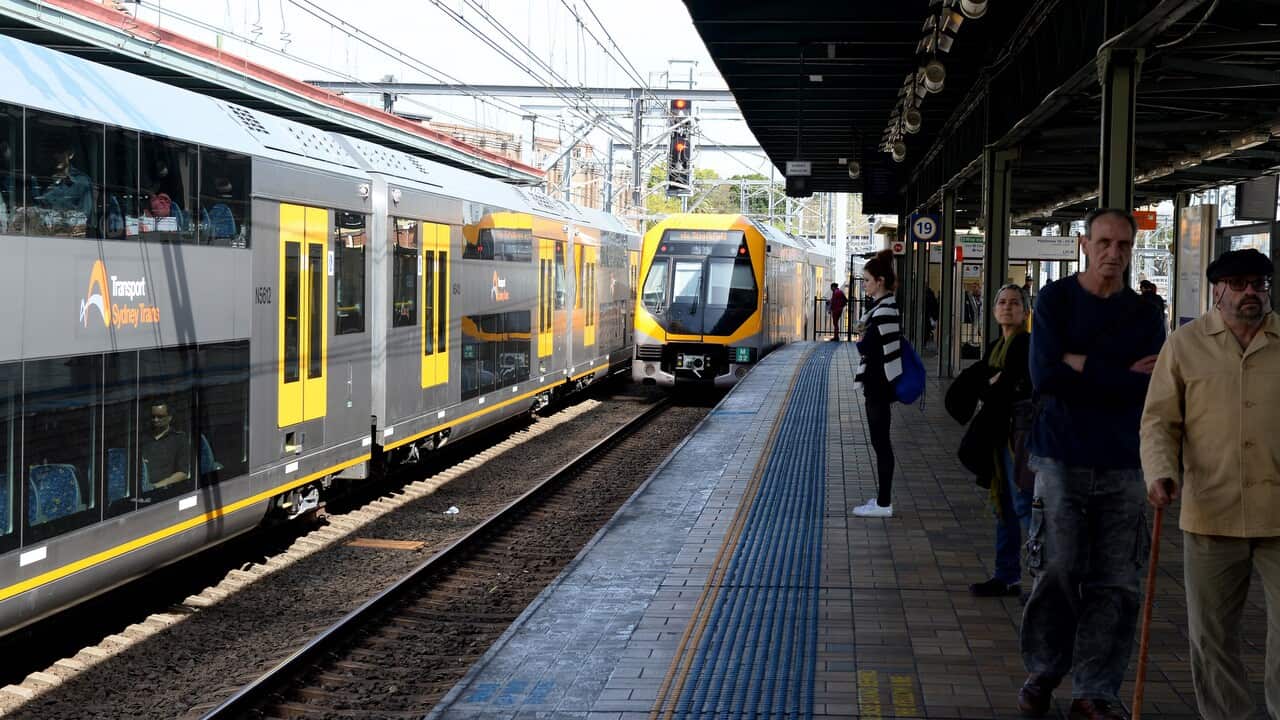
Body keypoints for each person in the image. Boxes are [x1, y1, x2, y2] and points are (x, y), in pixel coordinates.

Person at [1017, 208, 1166, 720]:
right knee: (1058, 567)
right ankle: (1043, 669)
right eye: (1105, 242)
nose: (1114, 253)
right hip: (1060, 454)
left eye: (1123, 245)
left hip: (1126, 461)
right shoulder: (1056, 299)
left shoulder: (1147, 313)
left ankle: (1095, 690)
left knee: (1117, 581)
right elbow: (1044, 376)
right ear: (1084, 244)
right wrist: (1117, 370)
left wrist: (1080, 364)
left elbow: (1149, 384)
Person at [1141, 248, 1279, 720]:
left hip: (1279, 512)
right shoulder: (1185, 343)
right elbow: (1159, 421)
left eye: (1258, 284)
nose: (1250, 293)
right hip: (1210, 511)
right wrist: (1161, 471)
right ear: (1217, 290)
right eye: (1238, 284)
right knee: (1211, 637)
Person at [967, 284, 1035, 598]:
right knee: (1004, 506)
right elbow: (983, 384)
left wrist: (994, 383)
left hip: (1021, 437)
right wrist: (993, 383)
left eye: (1015, 303)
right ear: (994, 311)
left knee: (1024, 505)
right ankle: (1006, 576)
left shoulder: (1028, 345)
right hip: (1000, 434)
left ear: (1025, 311)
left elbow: (1012, 385)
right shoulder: (995, 346)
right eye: (1002, 302)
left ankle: (1042, 580)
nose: (1008, 307)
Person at [851, 249, 900, 518]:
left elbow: (868, 347)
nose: (865, 285)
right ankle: (882, 500)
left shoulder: (884, 309)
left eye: (867, 280)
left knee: (881, 443)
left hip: (879, 385)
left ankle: (883, 503)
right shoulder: (885, 307)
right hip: (880, 383)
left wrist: (862, 337)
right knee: (880, 442)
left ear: (879, 281)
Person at [142, 403, 190, 490]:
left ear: (169, 418)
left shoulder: (179, 439)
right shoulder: (142, 437)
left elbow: (182, 473)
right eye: (153, 416)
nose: (155, 420)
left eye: (160, 416)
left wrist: (154, 487)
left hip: (165, 491)